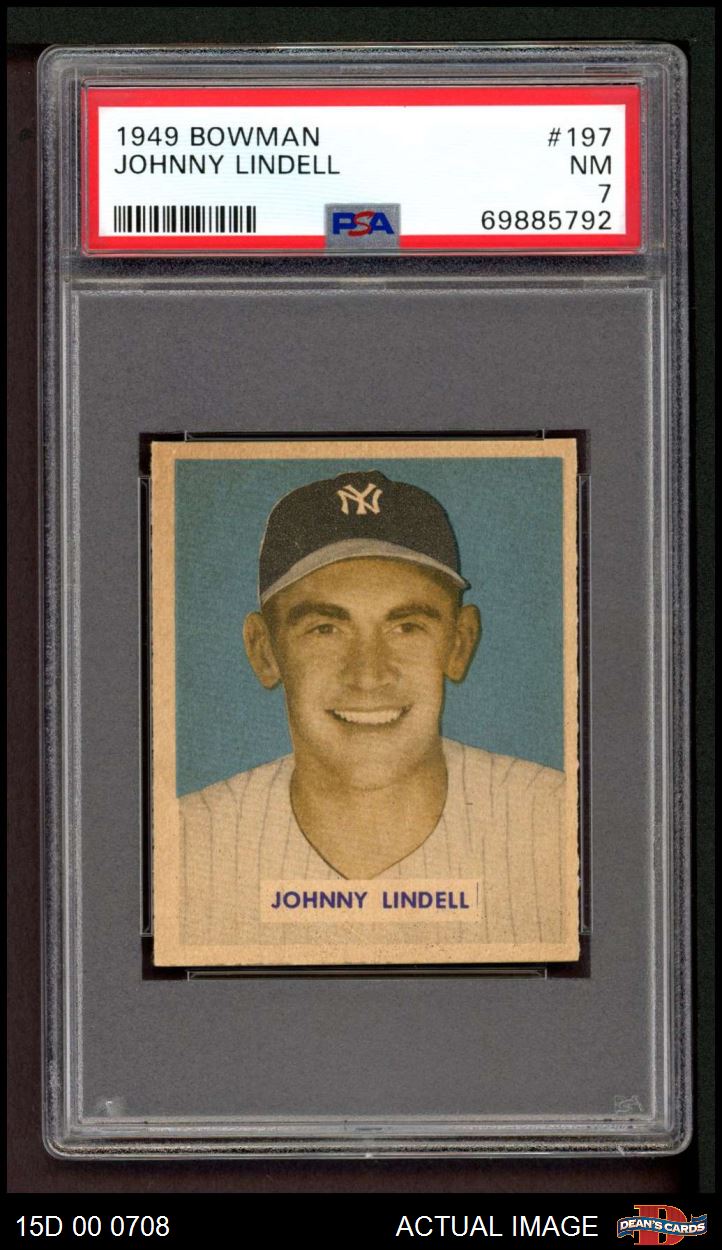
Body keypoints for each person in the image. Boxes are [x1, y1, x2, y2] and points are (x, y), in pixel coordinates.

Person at [178, 469, 570, 954]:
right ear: (264, 651)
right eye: (325, 629)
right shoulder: (183, 842)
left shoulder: (560, 823)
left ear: (460, 643)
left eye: (407, 627)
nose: (368, 675)